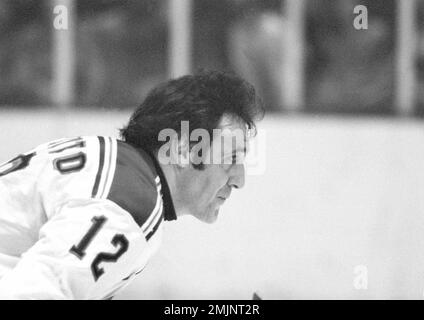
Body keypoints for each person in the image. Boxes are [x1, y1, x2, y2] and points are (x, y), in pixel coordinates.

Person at [0, 70, 264, 299]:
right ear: (183, 150)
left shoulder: (117, 167)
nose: (239, 179)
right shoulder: (129, 203)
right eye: (230, 157)